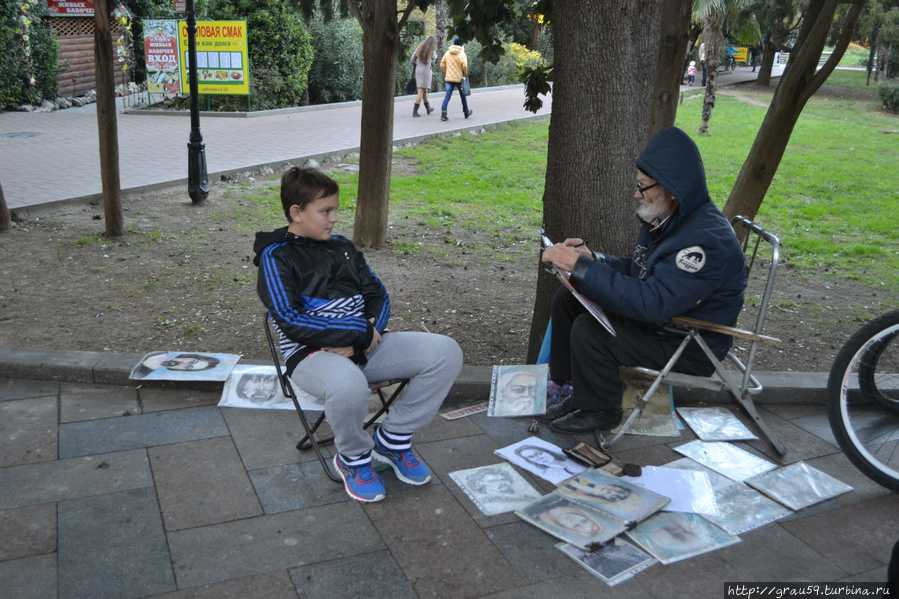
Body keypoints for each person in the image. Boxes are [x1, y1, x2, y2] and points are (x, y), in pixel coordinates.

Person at [254, 167, 463, 503]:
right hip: (310, 355)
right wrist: (357, 333)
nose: (334, 218)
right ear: (296, 212)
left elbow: (378, 295)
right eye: (325, 211)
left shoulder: (343, 247)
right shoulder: (275, 256)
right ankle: (352, 458)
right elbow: (291, 321)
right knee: (347, 382)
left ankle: (393, 440)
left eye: (335, 210)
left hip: (364, 346)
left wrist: (365, 338)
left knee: (446, 352)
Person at [537, 126, 746, 435]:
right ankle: (572, 389)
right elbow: (640, 270)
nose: (637, 194)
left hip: (686, 341)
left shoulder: (704, 244)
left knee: (589, 331)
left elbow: (650, 303)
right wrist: (593, 260)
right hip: (665, 325)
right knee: (569, 299)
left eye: (644, 187)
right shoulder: (668, 215)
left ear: (672, 188)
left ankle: (601, 410)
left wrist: (581, 268)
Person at [439, 37, 472, 122]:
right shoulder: (462, 54)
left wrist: (447, 71)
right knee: (463, 96)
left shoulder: (447, 52)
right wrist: (465, 73)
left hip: (449, 78)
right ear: (461, 44)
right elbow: (464, 66)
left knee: (447, 95)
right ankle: (466, 112)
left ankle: (443, 113)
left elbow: (442, 64)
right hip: (459, 79)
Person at [513, 444, 582, 480]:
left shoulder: (571, 459)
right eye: (531, 457)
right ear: (530, 461)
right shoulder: (548, 474)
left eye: (539, 453)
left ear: (547, 451)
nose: (539, 457)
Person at [411, 36, 438, 117]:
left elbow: (412, 58)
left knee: (424, 90)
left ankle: (428, 108)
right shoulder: (431, 50)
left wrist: (415, 65)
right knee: (421, 90)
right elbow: (435, 58)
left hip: (418, 70)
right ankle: (415, 111)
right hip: (426, 71)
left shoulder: (419, 47)